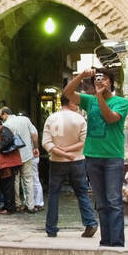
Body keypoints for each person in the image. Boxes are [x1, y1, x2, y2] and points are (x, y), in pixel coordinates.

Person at [62, 65, 128, 247]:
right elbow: (67, 93)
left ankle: (116, 242)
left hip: (113, 157)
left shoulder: (121, 102)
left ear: (111, 82)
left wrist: (100, 95)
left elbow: (110, 118)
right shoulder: (89, 100)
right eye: (98, 79)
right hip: (93, 156)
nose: (101, 81)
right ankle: (105, 241)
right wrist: (81, 76)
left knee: (114, 200)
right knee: (101, 202)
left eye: (105, 79)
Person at [41, 94, 98, 238]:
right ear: (71, 102)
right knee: (82, 193)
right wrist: (69, 152)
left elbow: (46, 143)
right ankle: (90, 222)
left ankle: (51, 228)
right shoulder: (80, 119)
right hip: (77, 161)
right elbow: (84, 141)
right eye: (76, 102)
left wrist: (61, 152)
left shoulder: (51, 118)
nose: (78, 105)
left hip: (56, 161)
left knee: (53, 195)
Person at [1, 107, 42, 212]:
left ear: (5, 114)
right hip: (27, 154)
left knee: (15, 180)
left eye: (1, 116)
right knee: (28, 180)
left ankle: (17, 204)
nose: (1, 118)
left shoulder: (6, 125)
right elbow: (34, 134)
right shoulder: (25, 120)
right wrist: (36, 147)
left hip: (14, 156)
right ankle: (30, 205)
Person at [0, 113, 25, 213]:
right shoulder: (2, 129)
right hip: (6, 162)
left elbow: (7, 140)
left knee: (8, 185)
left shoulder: (2, 129)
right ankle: (8, 206)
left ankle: (9, 208)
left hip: (7, 162)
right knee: (6, 184)